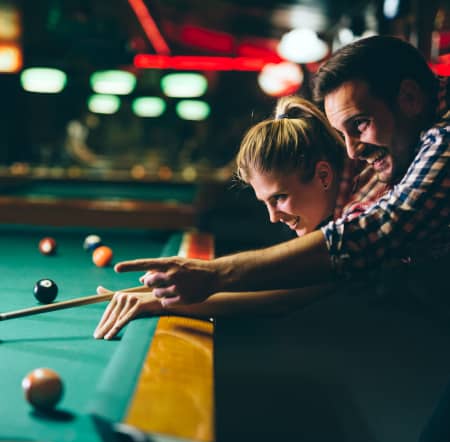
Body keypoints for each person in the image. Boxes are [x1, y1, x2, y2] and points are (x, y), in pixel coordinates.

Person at [102, 35, 449, 306]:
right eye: (343, 133)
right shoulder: (394, 152)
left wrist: (212, 274)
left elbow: (381, 229)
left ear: (409, 98)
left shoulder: (444, 138)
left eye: (360, 124)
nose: (352, 150)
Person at [93, 96, 386, 339]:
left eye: (280, 198)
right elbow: (284, 283)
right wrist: (162, 294)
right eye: (266, 203)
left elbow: (290, 297)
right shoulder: (340, 198)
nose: (274, 217)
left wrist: (162, 303)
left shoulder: (363, 205)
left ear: (323, 175)